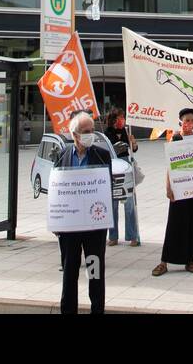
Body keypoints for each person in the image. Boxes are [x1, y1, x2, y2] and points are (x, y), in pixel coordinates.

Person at [57, 112, 112, 314]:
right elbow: (57, 191)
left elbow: (107, 189)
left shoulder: (102, 155)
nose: (91, 135)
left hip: (94, 230)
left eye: (92, 131)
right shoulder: (62, 155)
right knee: (69, 273)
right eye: (86, 132)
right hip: (69, 229)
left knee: (95, 273)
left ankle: (97, 310)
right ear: (75, 134)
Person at [153, 108, 193, 276]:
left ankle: (190, 260)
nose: (190, 124)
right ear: (180, 122)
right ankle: (164, 261)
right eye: (187, 120)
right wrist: (168, 187)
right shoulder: (176, 138)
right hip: (180, 188)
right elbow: (170, 165)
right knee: (175, 223)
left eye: (192, 120)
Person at [103, 108, 140, 247]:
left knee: (129, 203)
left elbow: (134, 149)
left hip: (126, 167)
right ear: (113, 120)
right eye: (119, 118)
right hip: (112, 169)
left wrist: (133, 142)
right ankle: (113, 236)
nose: (121, 120)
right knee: (112, 204)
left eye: (123, 118)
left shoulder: (126, 131)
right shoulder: (107, 133)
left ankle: (132, 236)